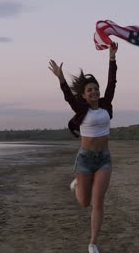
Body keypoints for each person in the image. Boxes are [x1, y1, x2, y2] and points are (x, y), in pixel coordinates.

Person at [48, 42, 118, 253]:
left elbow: (112, 82)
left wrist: (112, 58)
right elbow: (68, 96)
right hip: (85, 159)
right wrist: (61, 78)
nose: (95, 91)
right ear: (84, 95)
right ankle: (77, 186)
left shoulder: (106, 105)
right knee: (84, 203)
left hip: (104, 158)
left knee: (98, 202)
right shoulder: (81, 109)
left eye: (96, 89)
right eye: (90, 90)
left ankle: (93, 243)